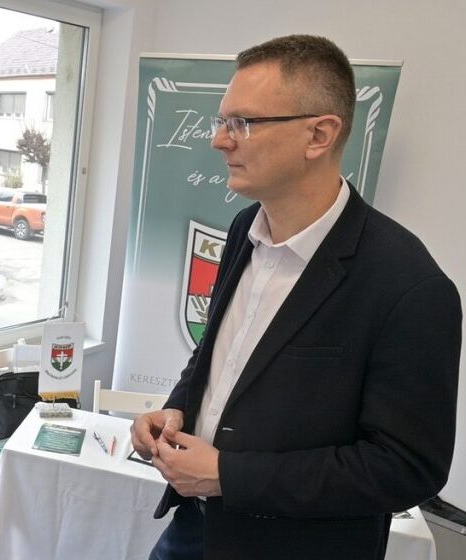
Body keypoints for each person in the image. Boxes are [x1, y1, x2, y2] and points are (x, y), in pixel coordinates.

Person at [131, 35, 462, 560]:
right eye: (222, 121)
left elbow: (406, 467)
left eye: (243, 122)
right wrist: (175, 410)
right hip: (195, 527)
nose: (219, 140)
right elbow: (219, 354)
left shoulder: (408, 287)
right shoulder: (243, 229)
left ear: (319, 135)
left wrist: (228, 475)